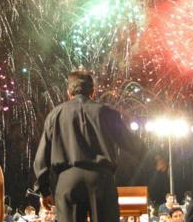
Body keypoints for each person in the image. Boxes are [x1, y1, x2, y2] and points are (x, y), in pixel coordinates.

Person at [33, 70, 145, 222]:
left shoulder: (55, 114)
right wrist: (156, 156)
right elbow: (130, 142)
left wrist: (43, 190)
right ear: (93, 92)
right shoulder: (107, 113)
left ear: (68, 92)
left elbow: (41, 158)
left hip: (68, 180)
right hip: (101, 179)